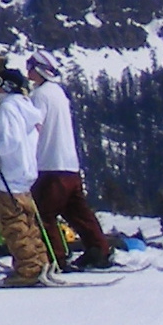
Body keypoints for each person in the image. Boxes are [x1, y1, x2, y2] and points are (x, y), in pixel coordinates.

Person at [25, 53, 115, 270]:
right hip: (70, 165)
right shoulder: (60, 94)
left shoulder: (40, 96)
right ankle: (99, 250)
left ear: (38, 70)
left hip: (49, 165)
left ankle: (55, 257)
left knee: (43, 214)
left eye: (30, 66)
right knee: (78, 212)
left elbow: (35, 127)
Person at [0, 63, 52, 287]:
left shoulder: (8, 108)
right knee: (29, 222)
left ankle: (28, 269)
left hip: (9, 174)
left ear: (7, 87)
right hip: (26, 173)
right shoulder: (26, 107)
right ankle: (40, 261)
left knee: (13, 224)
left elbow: (9, 141)